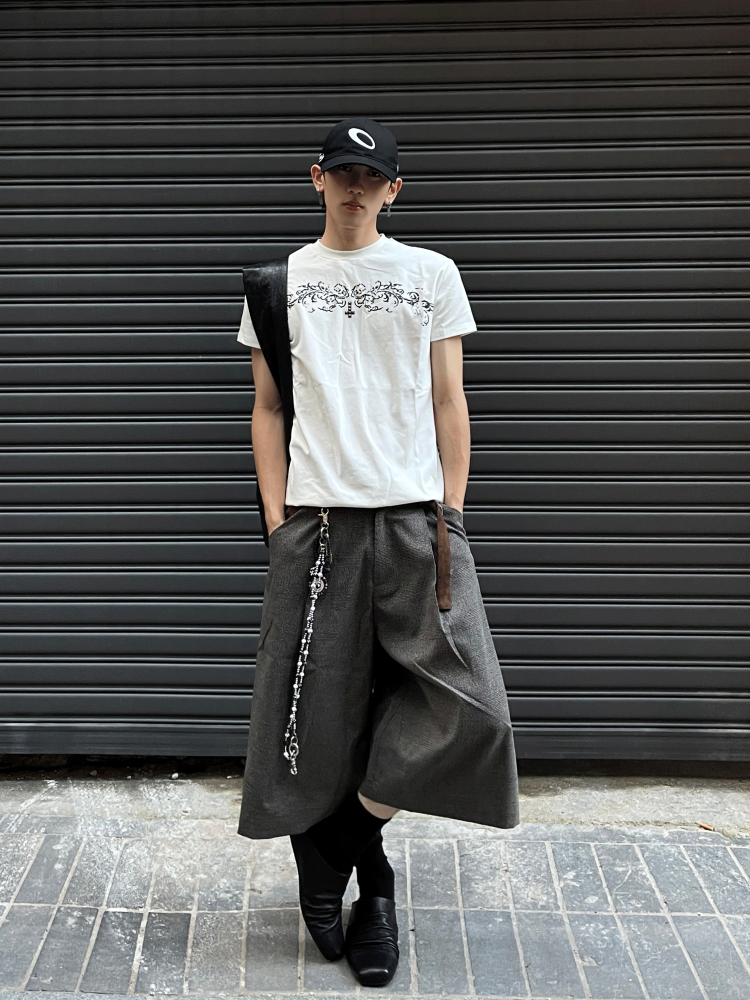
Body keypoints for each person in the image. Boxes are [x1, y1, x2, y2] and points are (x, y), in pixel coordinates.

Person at [236, 116, 519, 988]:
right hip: (319, 528)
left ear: (394, 190)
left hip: (415, 523)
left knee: (472, 710)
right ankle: (377, 892)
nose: (354, 187)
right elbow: (268, 410)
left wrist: (452, 514)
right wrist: (280, 523)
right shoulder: (277, 284)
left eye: (371, 176)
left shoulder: (431, 273)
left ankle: (336, 848)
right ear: (315, 178)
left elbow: (449, 400)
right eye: (342, 172)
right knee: (323, 721)